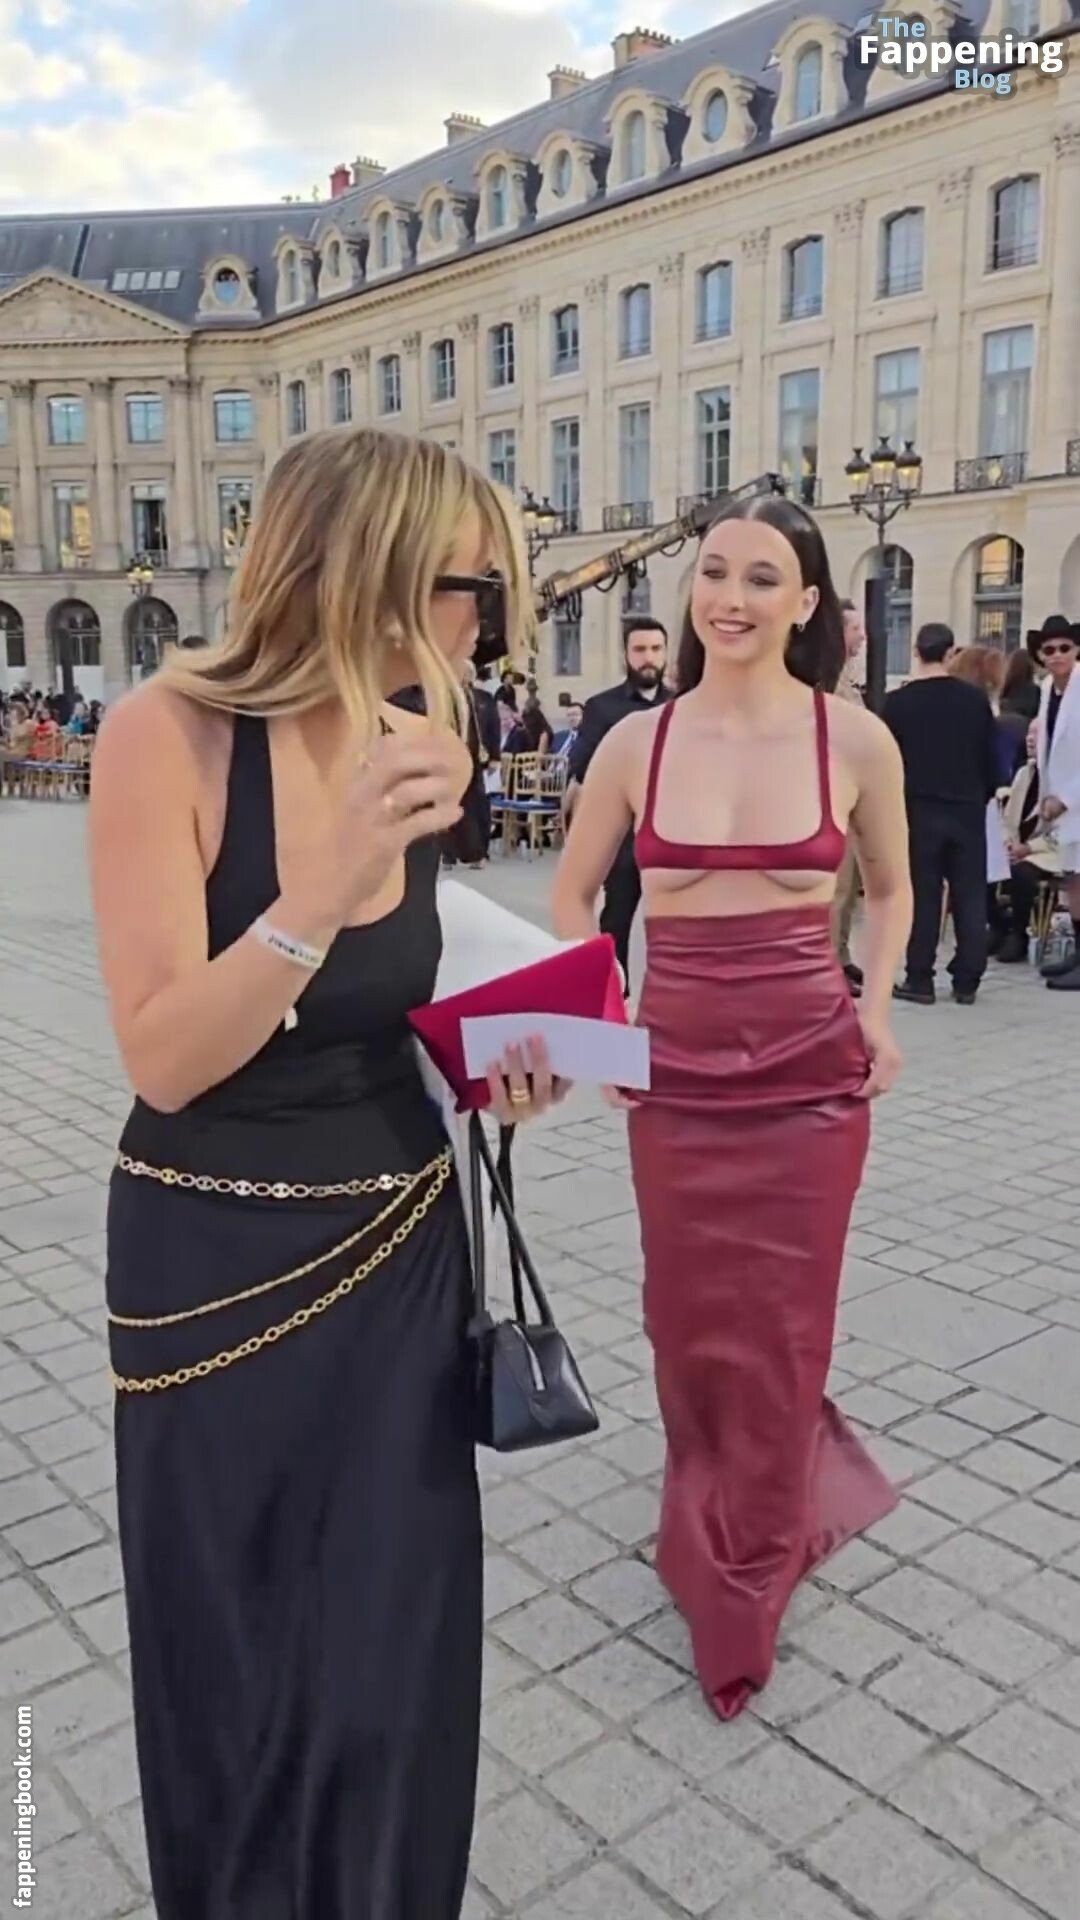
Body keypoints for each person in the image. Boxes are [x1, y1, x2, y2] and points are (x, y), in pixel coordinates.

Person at [88, 427, 567, 1920]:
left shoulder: (424, 723)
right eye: (473, 588)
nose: (487, 627)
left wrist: (500, 1065)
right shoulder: (165, 733)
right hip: (213, 1263)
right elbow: (168, 1056)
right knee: (239, 1656)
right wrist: (323, 884)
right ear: (368, 568)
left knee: (390, 1654)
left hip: (402, 1244)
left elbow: (392, 986)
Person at [552, 494, 910, 1720]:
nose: (732, 599)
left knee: (788, 1323)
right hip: (678, 1070)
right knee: (688, 1319)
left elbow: (896, 890)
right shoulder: (633, 744)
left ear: (807, 602)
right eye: (715, 572)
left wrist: (876, 1011)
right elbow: (573, 897)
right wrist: (599, 1018)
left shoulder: (854, 739)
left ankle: (754, 1549)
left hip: (811, 1069)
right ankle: (707, 1505)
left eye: (764, 578)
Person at [885, 624, 1000, 1006]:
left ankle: (919, 976)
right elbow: (991, 758)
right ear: (951, 654)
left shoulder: (898, 703)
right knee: (970, 893)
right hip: (967, 807)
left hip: (918, 807)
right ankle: (968, 979)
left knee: (924, 894)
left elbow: (887, 763)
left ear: (916, 652)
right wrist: (982, 794)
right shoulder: (974, 700)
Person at [566, 617, 672, 989]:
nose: (648, 658)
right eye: (639, 650)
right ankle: (614, 993)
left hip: (673, 836)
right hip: (624, 838)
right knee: (617, 920)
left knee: (674, 927)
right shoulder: (602, 708)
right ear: (625, 654)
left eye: (656, 649)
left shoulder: (682, 705)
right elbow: (581, 766)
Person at [1030, 615, 1080, 990]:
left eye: (1065, 648)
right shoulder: (1048, 688)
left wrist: (1066, 798)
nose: (1057, 655)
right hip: (1059, 803)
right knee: (1072, 878)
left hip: (1073, 798)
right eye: (1049, 650)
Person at [997, 720, 1061, 962]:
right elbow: (1009, 819)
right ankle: (998, 924)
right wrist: (1008, 843)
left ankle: (1019, 933)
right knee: (984, 864)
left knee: (1022, 872)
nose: (1030, 738)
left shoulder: (1062, 779)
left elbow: (1063, 831)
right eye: (1029, 733)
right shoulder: (1024, 773)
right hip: (1019, 846)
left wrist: (1028, 848)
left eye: (1037, 733)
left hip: (1050, 851)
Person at [832, 599, 867, 995]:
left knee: (850, 887)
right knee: (836, 890)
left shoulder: (846, 676)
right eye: (855, 628)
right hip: (834, 799)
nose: (863, 636)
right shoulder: (825, 678)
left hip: (854, 799)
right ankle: (829, 965)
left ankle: (841, 953)